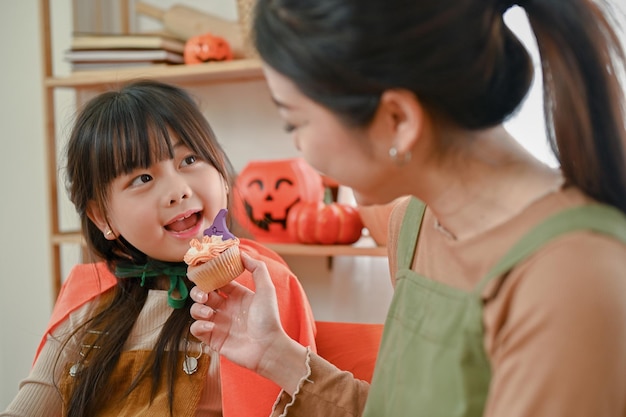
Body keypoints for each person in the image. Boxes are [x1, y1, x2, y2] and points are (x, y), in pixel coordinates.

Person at [189, 0, 626, 416]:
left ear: (398, 119)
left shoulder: (575, 275)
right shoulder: (414, 224)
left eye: (296, 122)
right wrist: (275, 354)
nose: (299, 148)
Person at [1, 80, 316, 417]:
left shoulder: (264, 289)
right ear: (101, 216)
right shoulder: (87, 301)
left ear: (222, 173)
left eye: (189, 159)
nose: (177, 191)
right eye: (142, 179)